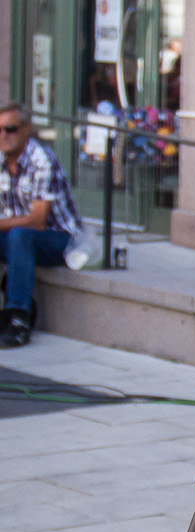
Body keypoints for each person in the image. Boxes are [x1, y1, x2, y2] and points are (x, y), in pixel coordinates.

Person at [0, 103, 83, 348]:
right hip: (19, 237)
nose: (3, 135)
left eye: (10, 129)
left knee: (20, 236)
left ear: (26, 129)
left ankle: (19, 318)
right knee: (17, 236)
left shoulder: (41, 159)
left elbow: (37, 221)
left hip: (60, 239)